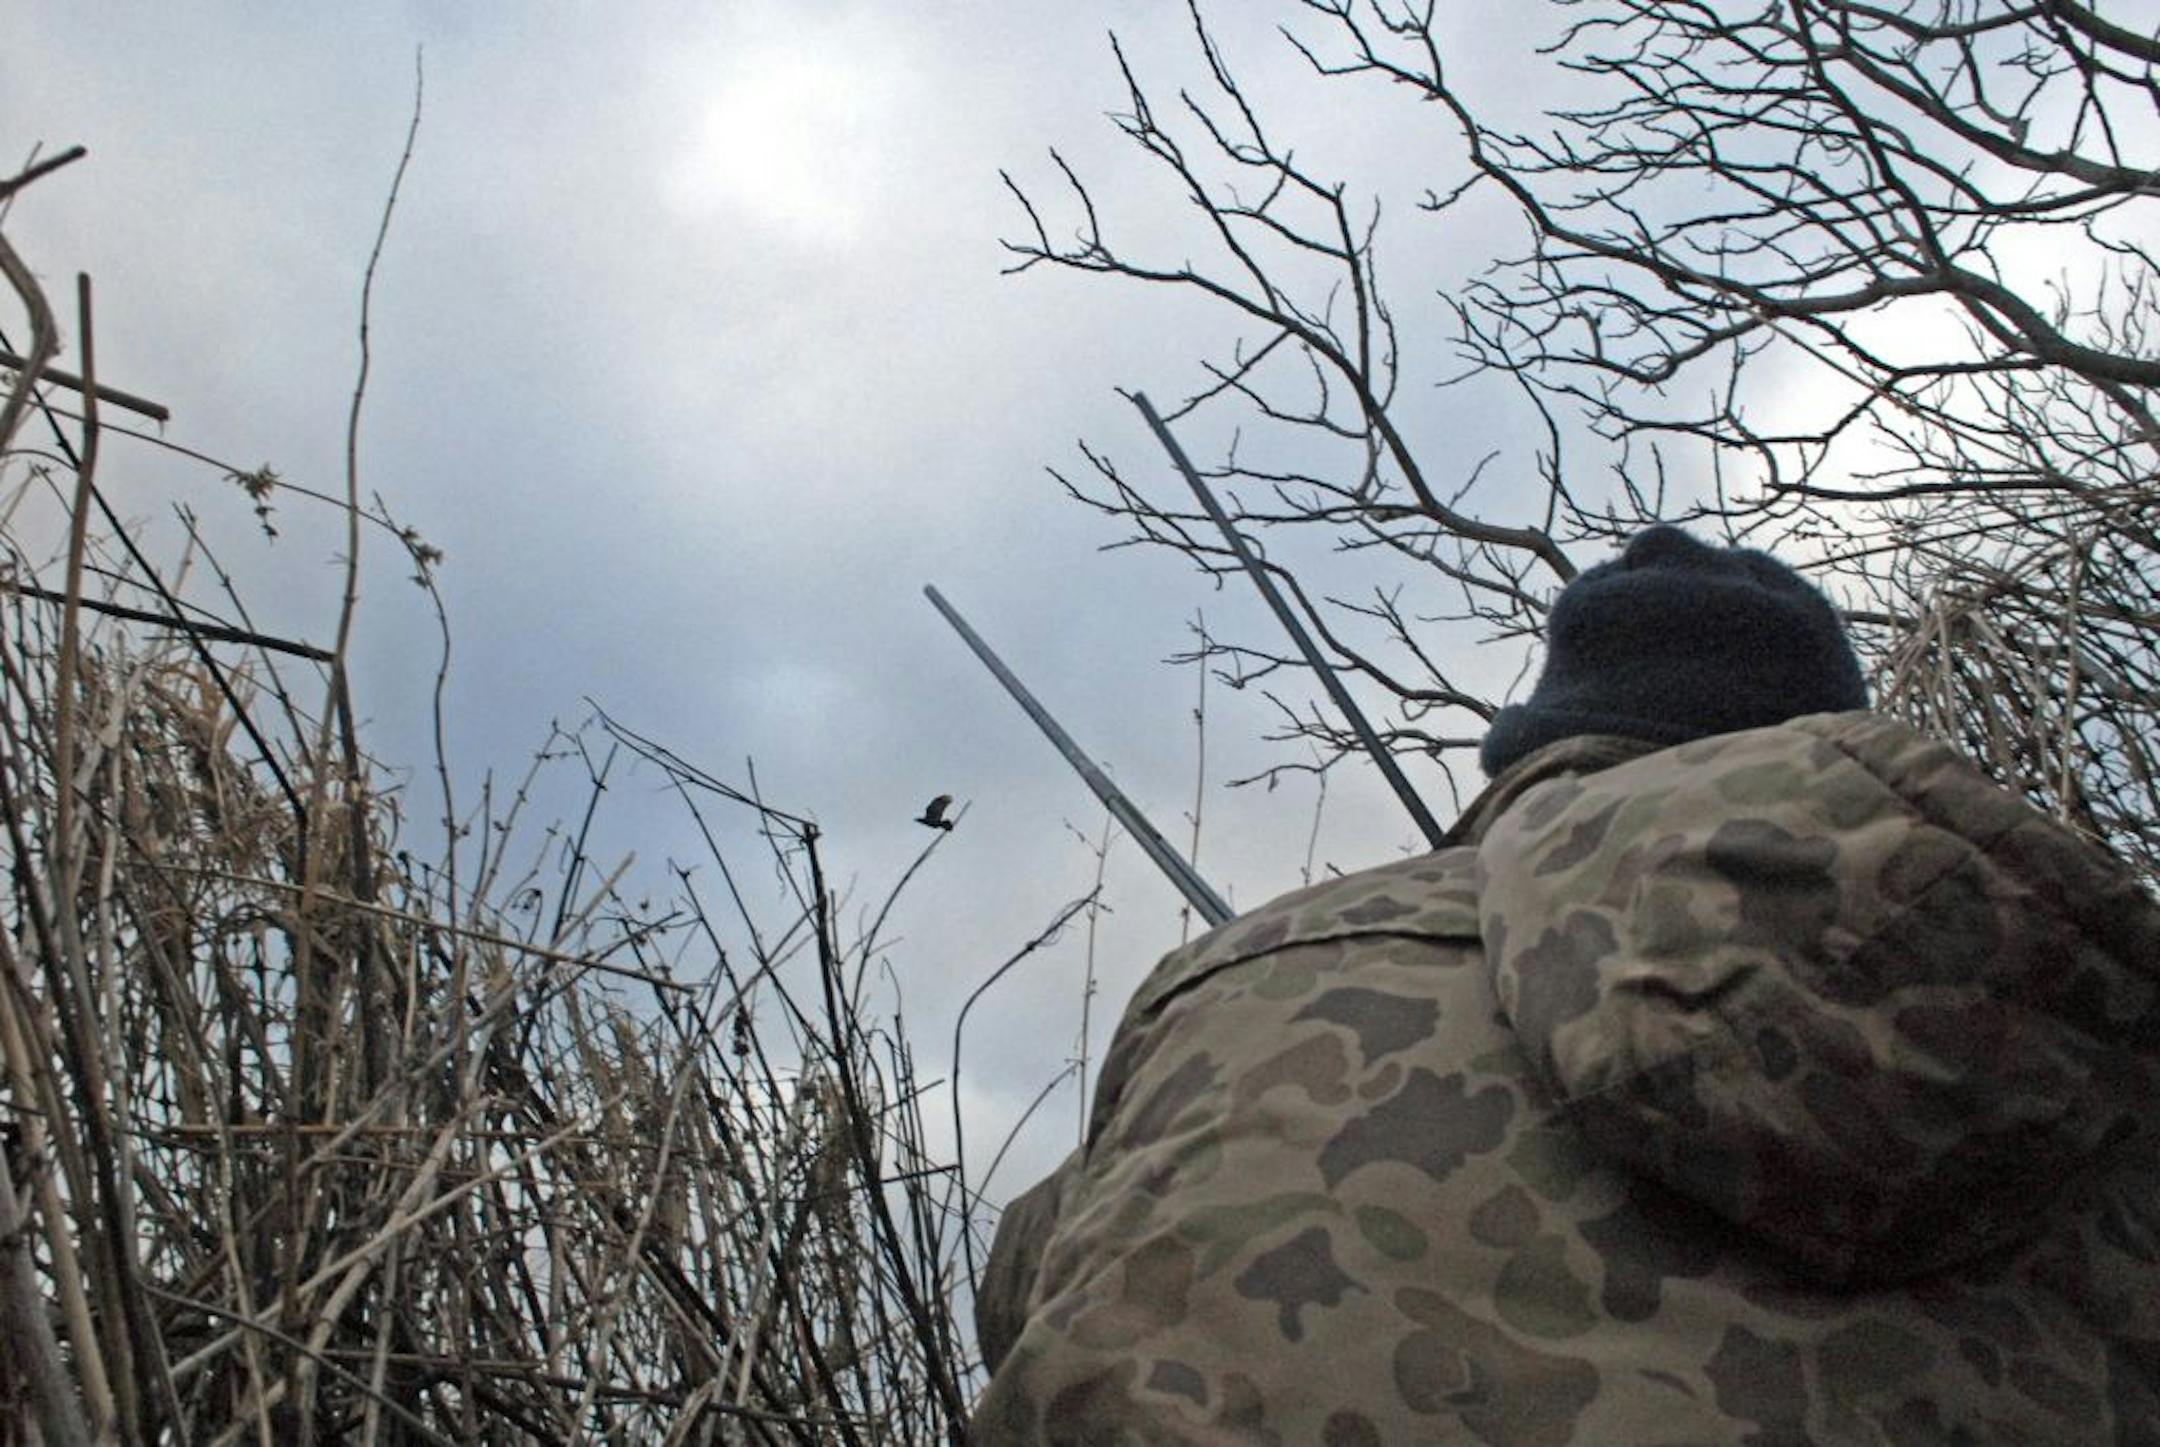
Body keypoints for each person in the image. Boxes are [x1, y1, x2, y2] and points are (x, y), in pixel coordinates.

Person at [969, 525, 2160, 1443]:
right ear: (1836, 753)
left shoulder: (1234, 985)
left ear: (1538, 745)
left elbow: (1028, 1290)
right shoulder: (2051, 996)